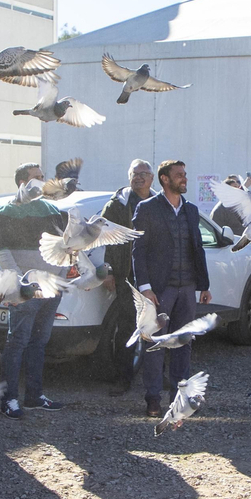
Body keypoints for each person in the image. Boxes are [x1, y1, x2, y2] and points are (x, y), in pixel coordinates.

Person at [132, 160, 213, 417]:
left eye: (184, 174)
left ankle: (179, 400)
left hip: (187, 288)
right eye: (179, 175)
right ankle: (153, 399)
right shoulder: (147, 208)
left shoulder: (191, 210)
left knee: (183, 344)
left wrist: (204, 285)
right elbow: (138, 251)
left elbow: (198, 248)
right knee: (156, 345)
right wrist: (145, 288)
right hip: (159, 290)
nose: (184, 178)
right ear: (165, 179)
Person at [0, 162, 71, 419]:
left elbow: (64, 247)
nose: (43, 181)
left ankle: (34, 396)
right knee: (17, 343)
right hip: (25, 292)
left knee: (39, 343)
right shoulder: (6, 212)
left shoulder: (52, 210)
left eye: (43, 176)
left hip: (51, 290)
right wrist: (20, 283)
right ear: (23, 183)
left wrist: (58, 281)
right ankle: (9, 400)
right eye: (37, 177)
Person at [99, 159, 153, 394]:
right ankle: (123, 378)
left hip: (154, 275)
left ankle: (157, 375)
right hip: (127, 274)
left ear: (151, 178)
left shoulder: (159, 202)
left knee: (157, 326)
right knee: (127, 327)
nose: (139, 177)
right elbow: (105, 239)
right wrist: (109, 271)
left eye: (143, 173)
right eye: (134, 174)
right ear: (129, 177)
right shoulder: (117, 205)